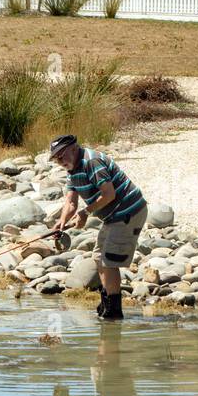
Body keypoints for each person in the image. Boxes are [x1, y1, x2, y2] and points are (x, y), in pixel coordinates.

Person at [48, 134, 148, 321]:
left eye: (62, 156)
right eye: (56, 158)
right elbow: (70, 202)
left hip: (129, 211)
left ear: (73, 148)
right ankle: (107, 303)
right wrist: (61, 223)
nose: (60, 161)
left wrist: (86, 213)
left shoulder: (91, 162)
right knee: (98, 257)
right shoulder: (72, 169)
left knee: (109, 261)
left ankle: (114, 312)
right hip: (112, 216)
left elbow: (108, 194)